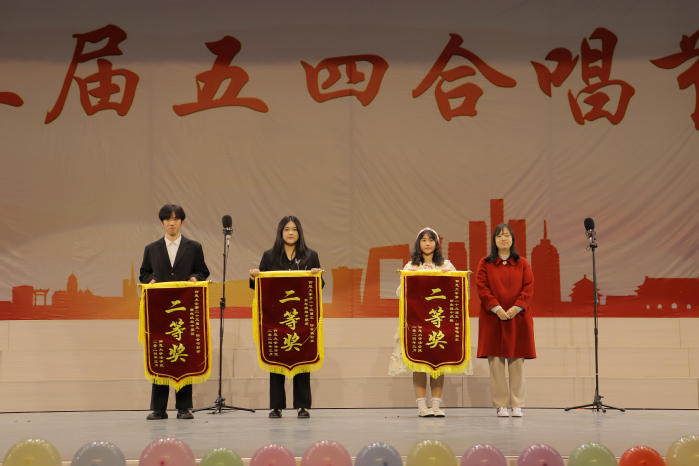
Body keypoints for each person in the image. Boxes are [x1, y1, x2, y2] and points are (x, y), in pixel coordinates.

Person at [139, 204, 210, 420]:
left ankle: (183, 407)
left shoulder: (194, 247)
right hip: (160, 312)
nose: (172, 223)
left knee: (183, 355)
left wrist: (195, 278)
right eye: (167, 219)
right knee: (160, 355)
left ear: (181, 222)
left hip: (184, 310)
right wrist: (150, 280)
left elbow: (203, 271)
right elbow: (143, 274)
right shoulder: (151, 248)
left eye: (176, 219)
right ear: (162, 223)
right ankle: (159, 408)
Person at [249, 215, 322, 419]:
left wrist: (317, 275)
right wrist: (254, 276)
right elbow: (258, 286)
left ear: (300, 233)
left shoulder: (311, 256)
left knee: (303, 359)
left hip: (301, 319)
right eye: (287, 229)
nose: (291, 233)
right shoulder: (269, 256)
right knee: (276, 359)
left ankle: (303, 406)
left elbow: (319, 286)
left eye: (294, 229)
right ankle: (276, 406)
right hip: (276, 318)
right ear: (281, 232)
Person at [389, 227, 456, 417]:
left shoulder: (447, 265)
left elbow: (457, 291)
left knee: (437, 365)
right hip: (417, 323)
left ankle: (435, 406)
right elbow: (401, 293)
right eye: (424, 240)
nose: (427, 243)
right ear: (418, 244)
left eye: (431, 240)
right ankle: (422, 407)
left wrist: (446, 277)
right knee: (418, 364)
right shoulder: (410, 266)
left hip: (438, 323)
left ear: (437, 243)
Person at [475, 223, 535, 418]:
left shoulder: (522, 263)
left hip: (518, 318)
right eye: (499, 236)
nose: (503, 239)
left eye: (507, 235)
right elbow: (482, 287)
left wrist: (516, 308)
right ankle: (501, 405)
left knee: (517, 363)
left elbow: (528, 288)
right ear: (494, 240)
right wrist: (497, 308)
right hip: (493, 318)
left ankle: (517, 404)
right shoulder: (485, 263)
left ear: (512, 239)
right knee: (496, 364)